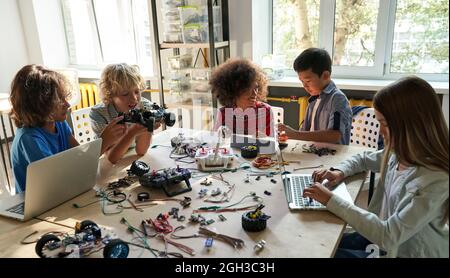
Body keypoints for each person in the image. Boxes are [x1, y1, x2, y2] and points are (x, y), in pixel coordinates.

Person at [303, 76, 449, 258]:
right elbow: (364, 158)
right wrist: (339, 171)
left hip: (402, 250)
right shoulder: (399, 153)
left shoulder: (436, 179)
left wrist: (331, 200)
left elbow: (389, 235)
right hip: (379, 237)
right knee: (317, 242)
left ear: (412, 125)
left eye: (385, 124)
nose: (380, 131)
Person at [9, 65, 79, 193]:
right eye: (59, 100)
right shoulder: (29, 138)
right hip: (35, 205)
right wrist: (105, 142)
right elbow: (55, 179)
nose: (67, 104)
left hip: (60, 192)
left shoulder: (59, 123)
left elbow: (80, 156)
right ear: (39, 105)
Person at [278, 48, 352, 144]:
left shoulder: (337, 99)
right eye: (302, 81)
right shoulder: (313, 100)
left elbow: (335, 135)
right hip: (313, 154)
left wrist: (295, 134)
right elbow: (304, 133)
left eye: (308, 81)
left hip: (332, 156)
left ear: (325, 75)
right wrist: (288, 134)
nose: (304, 86)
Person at [90, 63, 160, 164]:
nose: (134, 98)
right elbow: (111, 158)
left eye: (137, 91)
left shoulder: (145, 107)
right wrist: (131, 133)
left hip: (130, 155)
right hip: (109, 163)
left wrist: (148, 127)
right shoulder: (99, 114)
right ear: (110, 95)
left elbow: (141, 151)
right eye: (125, 94)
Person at [211, 58, 274, 137]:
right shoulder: (223, 113)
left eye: (256, 87)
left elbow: (271, 144)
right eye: (248, 89)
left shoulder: (265, 111)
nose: (254, 93)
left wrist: (263, 139)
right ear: (235, 90)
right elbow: (216, 142)